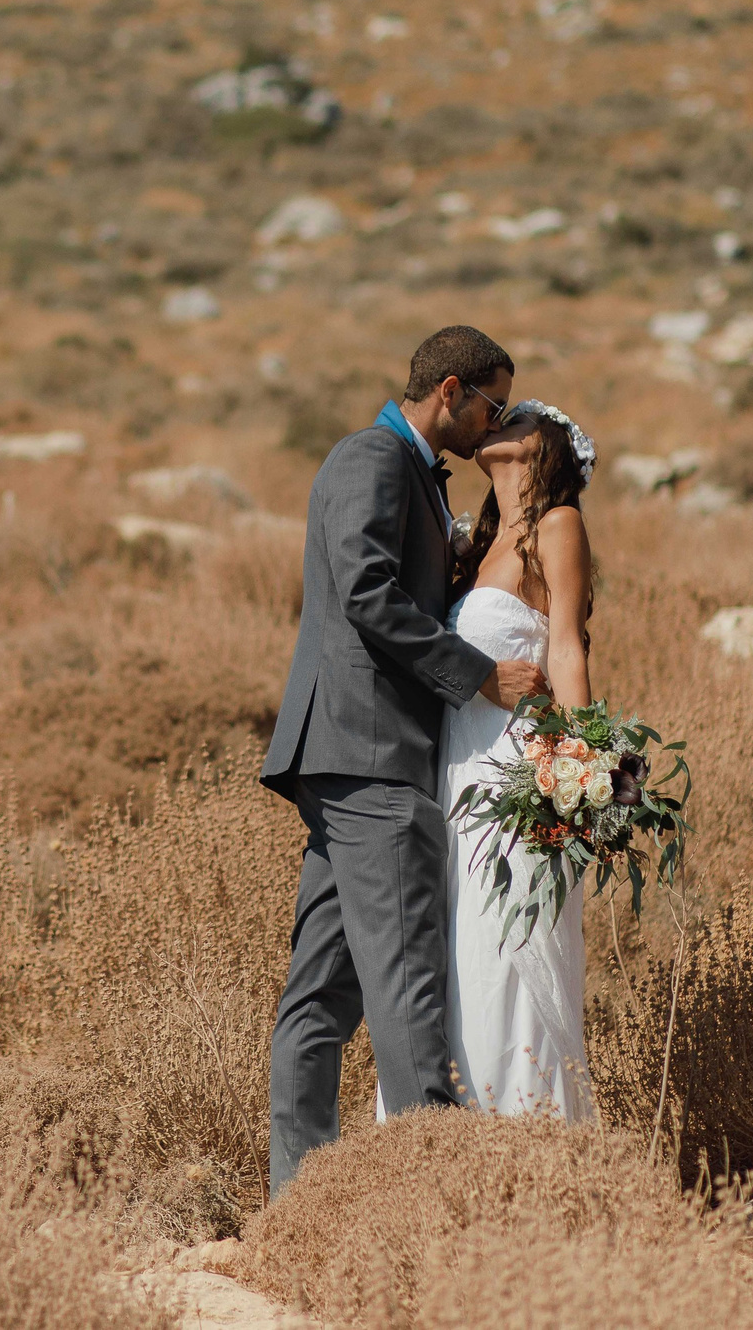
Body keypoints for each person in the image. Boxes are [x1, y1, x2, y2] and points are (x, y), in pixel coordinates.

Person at [261, 325, 549, 1199]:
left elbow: (393, 587)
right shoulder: (373, 457)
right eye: (491, 404)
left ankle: (299, 1204)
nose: (492, 419)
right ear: (452, 389)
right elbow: (364, 591)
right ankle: (432, 1205)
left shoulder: (406, 470)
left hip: (354, 752)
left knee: (323, 992)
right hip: (374, 753)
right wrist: (478, 677)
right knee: (407, 985)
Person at [433, 400, 600, 1121]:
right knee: (457, 954)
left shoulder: (557, 525)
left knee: (506, 947)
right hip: (455, 771)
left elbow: (565, 645)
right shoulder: (481, 540)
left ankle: (526, 1139)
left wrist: (578, 774)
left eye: (521, 416)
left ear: (547, 448)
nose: (501, 419)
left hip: (512, 770)